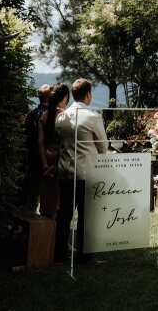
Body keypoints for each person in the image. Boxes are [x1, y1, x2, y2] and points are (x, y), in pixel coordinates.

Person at [55, 79, 109, 263]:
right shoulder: (93, 117)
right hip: (87, 173)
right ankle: (84, 257)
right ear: (87, 94)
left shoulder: (61, 117)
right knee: (87, 217)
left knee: (64, 215)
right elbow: (103, 147)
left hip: (65, 171)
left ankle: (59, 254)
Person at [37, 83, 68, 219]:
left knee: (45, 199)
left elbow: (40, 143)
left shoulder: (43, 116)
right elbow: (65, 144)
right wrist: (55, 165)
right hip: (59, 161)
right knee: (58, 200)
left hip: (45, 160)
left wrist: (44, 164)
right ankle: (55, 235)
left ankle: (44, 234)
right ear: (66, 97)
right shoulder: (65, 116)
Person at [23, 84, 50, 212]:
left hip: (31, 159)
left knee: (31, 199)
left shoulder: (31, 114)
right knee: (48, 201)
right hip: (47, 160)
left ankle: (29, 228)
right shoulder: (50, 116)